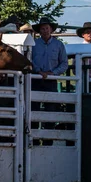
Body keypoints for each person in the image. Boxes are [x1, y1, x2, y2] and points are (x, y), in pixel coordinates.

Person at [31, 17, 68, 145]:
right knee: (33, 109)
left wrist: (53, 73)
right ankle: (34, 139)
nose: (45, 30)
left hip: (51, 80)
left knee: (50, 110)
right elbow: (29, 61)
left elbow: (64, 64)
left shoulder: (59, 45)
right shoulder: (34, 44)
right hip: (36, 79)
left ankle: (48, 140)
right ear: (39, 31)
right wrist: (38, 71)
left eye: (47, 28)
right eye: (42, 28)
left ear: (51, 29)